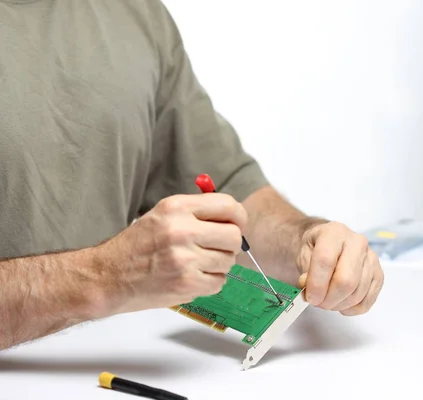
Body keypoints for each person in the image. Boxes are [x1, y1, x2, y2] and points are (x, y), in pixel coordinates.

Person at [0, 0, 384, 350]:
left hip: (95, 368)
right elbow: (114, 274)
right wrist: (106, 276)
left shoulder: (134, 13)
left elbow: (233, 197)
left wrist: (310, 244)